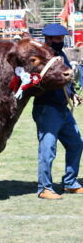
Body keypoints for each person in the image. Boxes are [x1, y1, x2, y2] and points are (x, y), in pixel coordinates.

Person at [32, 23, 83, 200]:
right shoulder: (40, 58)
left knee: (76, 144)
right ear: (48, 39)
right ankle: (44, 188)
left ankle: (70, 182)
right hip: (47, 108)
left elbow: (67, 78)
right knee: (48, 149)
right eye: (58, 39)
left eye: (62, 38)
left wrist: (74, 93)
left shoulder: (60, 55)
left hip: (62, 109)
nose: (61, 41)